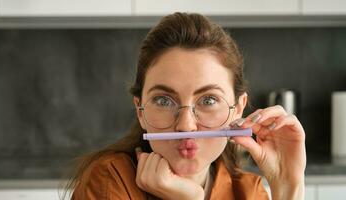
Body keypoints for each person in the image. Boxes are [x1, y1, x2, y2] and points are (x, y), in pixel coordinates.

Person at [67, 12, 306, 200]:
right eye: (163, 100)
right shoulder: (110, 181)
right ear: (140, 110)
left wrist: (288, 186)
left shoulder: (248, 193)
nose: (186, 126)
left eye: (209, 100)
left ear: (238, 108)